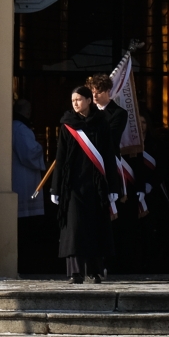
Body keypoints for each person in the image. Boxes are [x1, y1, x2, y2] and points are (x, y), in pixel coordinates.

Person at [51, 87, 114, 284]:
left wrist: (112, 187)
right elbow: (60, 158)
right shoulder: (67, 125)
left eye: (79, 99)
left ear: (89, 100)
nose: (75, 103)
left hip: (96, 184)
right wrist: (56, 187)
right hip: (73, 185)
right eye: (73, 100)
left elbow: (109, 156)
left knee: (94, 226)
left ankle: (94, 271)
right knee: (75, 228)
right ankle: (76, 272)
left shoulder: (101, 123)